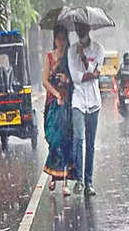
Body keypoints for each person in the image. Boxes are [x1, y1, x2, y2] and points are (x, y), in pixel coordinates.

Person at [67, 23, 104, 196]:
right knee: (79, 139)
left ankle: (89, 182)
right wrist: (91, 74)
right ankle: (79, 180)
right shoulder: (71, 50)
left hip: (94, 102)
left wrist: (84, 59)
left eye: (83, 29)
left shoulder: (98, 49)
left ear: (88, 30)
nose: (80, 33)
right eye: (78, 30)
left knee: (90, 144)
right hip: (78, 101)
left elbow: (97, 73)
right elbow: (76, 78)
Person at [42, 27, 73, 197]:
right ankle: (54, 175)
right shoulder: (48, 57)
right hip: (53, 103)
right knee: (53, 140)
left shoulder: (69, 58)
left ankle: (65, 182)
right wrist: (56, 95)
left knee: (65, 141)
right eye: (58, 39)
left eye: (64, 39)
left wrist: (66, 80)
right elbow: (44, 81)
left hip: (67, 104)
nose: (61, 42)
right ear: (55, 40)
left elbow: (73, 78)